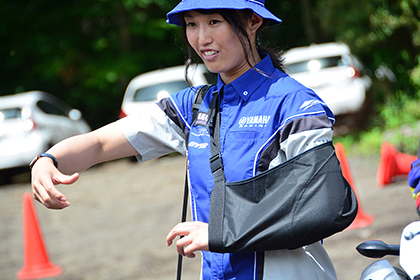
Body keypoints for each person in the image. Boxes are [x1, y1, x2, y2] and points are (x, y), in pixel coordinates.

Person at [31, 0, 338, 279]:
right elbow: (100, 143)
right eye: (192, 24)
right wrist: (48, 161)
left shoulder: (294, 103)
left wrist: (223, 232)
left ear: (253, 21)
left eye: (214, 22)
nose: (202, 38)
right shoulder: (194, 106)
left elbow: (325, 204)